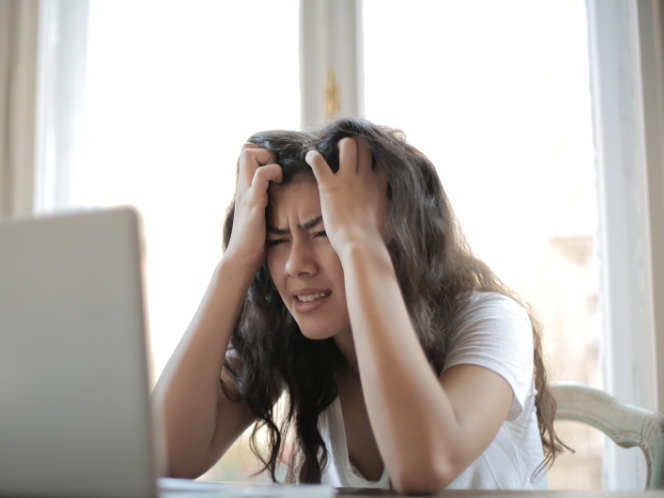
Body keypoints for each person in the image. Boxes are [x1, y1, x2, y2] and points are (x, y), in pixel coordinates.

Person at [151, 118, 565, 493]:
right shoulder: (296, 341)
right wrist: (236, 261)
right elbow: (163, 458)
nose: (295, 264)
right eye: (276, 240)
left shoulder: (493, 321)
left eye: (326, 231)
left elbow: (424, 467)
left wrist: (361, 245)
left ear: (395, 236)